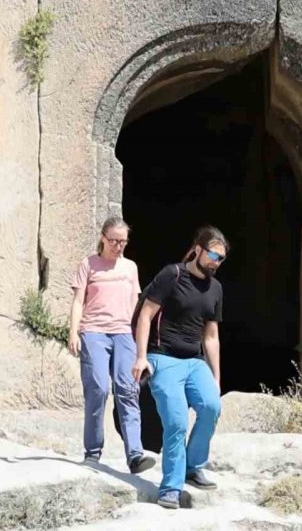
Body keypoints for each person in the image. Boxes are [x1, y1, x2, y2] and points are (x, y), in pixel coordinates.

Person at [131, 225, 228, 509]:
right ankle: (171, 488)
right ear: (198, 249)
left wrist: (216, 377)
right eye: (213, 255)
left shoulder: (215, 289)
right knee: (176, 422)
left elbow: (211, 337)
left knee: (211, 407)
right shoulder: (172, 275)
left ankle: (192, 467)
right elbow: (146, 316)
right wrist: (141, 357)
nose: (216, 262)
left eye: (221, 258)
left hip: (194, 361)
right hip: (163, 358)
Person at [68, 217, 155, 474]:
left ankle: (135, 455)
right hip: (94, 331)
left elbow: (136, 306)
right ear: (103, 239)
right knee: (98, 388)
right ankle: (92, 452)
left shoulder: (130, 267)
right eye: (114, 241)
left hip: (124, 332)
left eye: (123, 242)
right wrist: (73, 332)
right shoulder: (88, 264)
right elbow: (78, 301)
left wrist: (140, 345)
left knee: (128, 389)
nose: (118, 246)